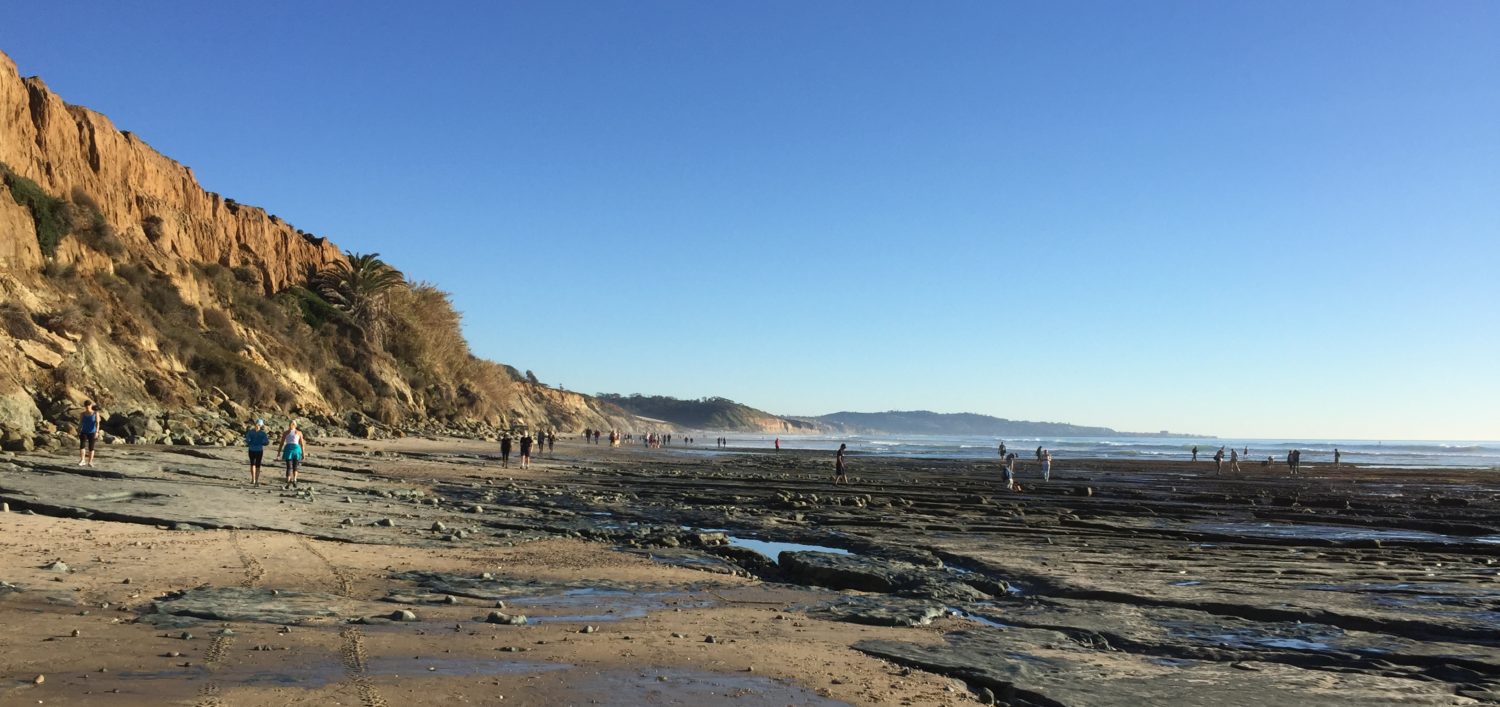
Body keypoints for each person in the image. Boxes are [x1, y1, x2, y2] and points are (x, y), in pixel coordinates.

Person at [279, 421, 305, 489]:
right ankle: (291, 481)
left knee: (292, 466)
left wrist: (303, 453)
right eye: (290, 423)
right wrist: (278, 452)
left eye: (292, 424)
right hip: (292, 449)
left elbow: (302, 444)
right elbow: (281, 443)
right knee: (290, 466)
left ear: (295, 425)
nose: (291, 425)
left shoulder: (296, 432)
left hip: (293, 449)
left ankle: (293, 480)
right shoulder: (289, 432)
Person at [244, 419, 270, 485]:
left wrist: (250, 443)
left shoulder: (250, 432)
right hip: (259, 450)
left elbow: (247, 441)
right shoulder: (263, 433)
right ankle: (257, 480)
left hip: (251, 449)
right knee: (258, 465)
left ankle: (253, 479)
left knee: (252, 464)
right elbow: (266, 442)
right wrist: (261, 443)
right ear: (261, 425)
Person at [78, 402, 100, 467]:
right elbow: (80, 423)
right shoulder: (82, 414)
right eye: (86, 405)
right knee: (82, 446)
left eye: (88, 405)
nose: (87, 407)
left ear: (91, 405)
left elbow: (97, 423)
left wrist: (97, 432)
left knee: (91, 447)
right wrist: (78, 430)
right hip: (84, 431)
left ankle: (90, 462)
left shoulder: (95, 413)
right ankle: (82, 460)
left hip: (92, 432)